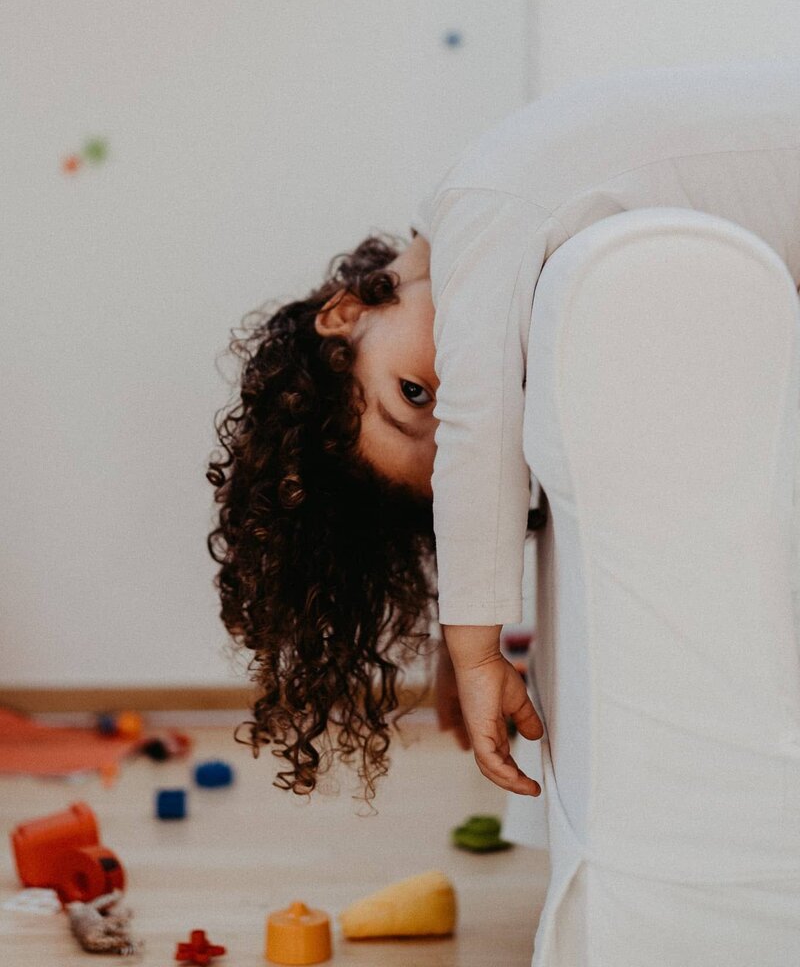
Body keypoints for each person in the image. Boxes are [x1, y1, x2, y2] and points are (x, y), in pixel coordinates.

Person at [207, 58, 800, 806]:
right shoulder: (487, 227)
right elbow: (485, 463)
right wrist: (456, 631)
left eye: (411, 394)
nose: (449, 409)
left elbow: (477, 429)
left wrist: (475, 647)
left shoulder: (479, 213)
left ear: (346, 312)